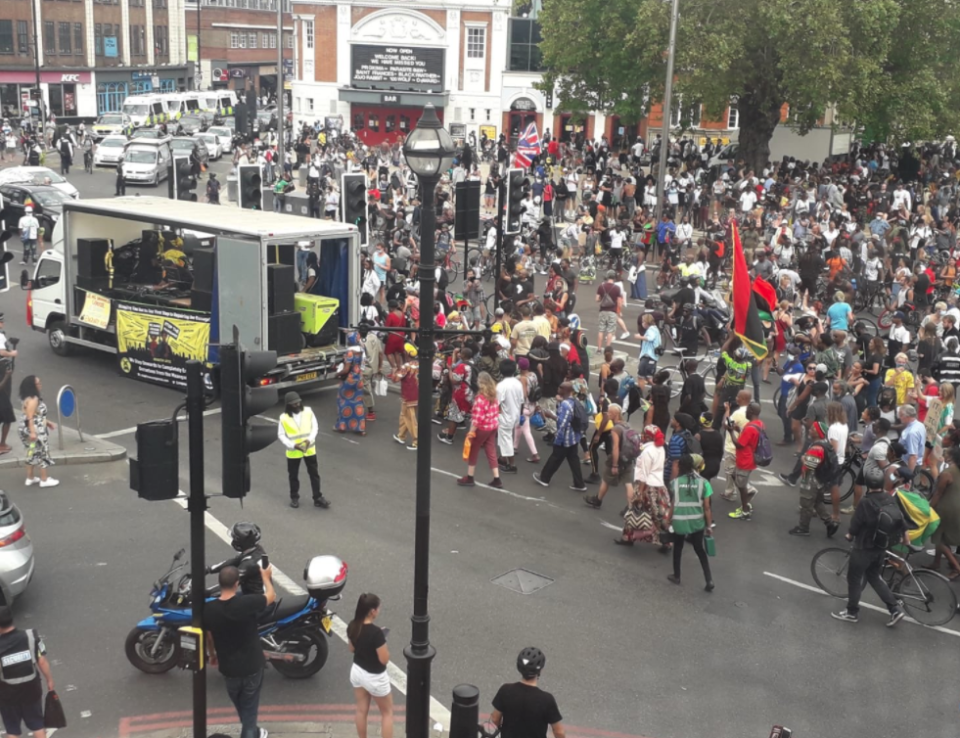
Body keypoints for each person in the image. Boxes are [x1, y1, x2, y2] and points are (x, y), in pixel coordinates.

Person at [831, 466, 907, 627]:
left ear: (867, 484)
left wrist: (850, 535)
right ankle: (895, 609)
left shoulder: (865, 502)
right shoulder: (889, 497)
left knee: (854, 578)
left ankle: (852, 612)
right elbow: (901, 519)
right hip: (880, 547)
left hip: (864, 547)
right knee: (874, 577)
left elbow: (856, 523)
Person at [206, 565, 276, 738]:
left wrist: (213, 655)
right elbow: (271, 596)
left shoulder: (209, 610)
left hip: (229, 670)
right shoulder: (246, 603)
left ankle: (254, 731)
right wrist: (266, 577)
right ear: (237, 584)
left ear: (219, 583)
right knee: (249, 714)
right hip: (252, 667)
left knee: (244, 710)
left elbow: (209, 637)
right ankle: (252, 732)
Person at [0, 605, 54, 738]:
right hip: (31, 688)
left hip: (7, 693)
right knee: (37, 724)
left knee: (12, 729)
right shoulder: (32, 636)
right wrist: (49, 680)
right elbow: (42, 661)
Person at [664, 454, 715, 591]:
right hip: (697, 522)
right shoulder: (704, 483)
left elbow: (673, 503)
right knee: (699, 550)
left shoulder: (675, 482)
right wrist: (709, 526)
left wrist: (668, 520)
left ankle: (677, 576)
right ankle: (709, 579)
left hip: (679, 521)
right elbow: (707, 507)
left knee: (678, 547)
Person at [347, 593, 393, 738]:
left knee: (361, 710)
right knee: (387, 713)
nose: (379, 611)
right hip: (375, 677)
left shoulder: (353, 626)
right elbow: (384, 659)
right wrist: (381, 640)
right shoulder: (376, 634)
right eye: (378, 608)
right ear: (372, 611)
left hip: (357, 672)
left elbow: (352, 649)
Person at [491, 647, 564, 738]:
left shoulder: (505, 690)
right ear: (540, 670)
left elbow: (495, 718)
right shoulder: (547, 700)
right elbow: (559, 732)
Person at [277, 391, 329, 509]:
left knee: (314, 474)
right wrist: (293, 445)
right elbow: (281, 435)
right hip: (293, 451)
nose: (296, 405)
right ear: (288, 405)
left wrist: (308, 441)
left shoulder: (308, 411)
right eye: (293, 404)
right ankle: (294, 497)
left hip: (309, 449)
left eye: (298, 403)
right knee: (293, 475)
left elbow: (315, 428)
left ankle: (318, 498)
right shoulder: (283, 418)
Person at [533, 382, 585, 490]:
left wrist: (552, 416)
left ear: (566, 390)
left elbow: (562, 423)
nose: (558, 388)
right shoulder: (574, 401)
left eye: (561, 387)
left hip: (565, 438)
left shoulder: (565, 404)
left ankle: (544, 478)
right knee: (573, 459)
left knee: (555, 458)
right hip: (573, 437)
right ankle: (579, 483)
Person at [583, 405, 635, 509]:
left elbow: (615, 447)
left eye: (609, 413)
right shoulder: (627, 425)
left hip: (618, 458)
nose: (607, 414)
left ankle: (598, 500)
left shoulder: (615, 429)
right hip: (628, 458)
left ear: (615, 414)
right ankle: (631, 507)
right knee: (628, 483)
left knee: (606, 479)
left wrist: (614, 464)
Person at [458, 372, 502, 488]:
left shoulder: (480, 398)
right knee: (491, 450)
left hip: (483, 428)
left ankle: (470, 477)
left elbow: (478, 419)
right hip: (493, 426)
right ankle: (497, 478)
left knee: (473, 450)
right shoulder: (494, 395)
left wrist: (471, 432)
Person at [926, 445, 960, 579]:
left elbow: (938, 494)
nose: (944, 456)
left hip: (947, 509)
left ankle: (957, 568)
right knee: (941, 535)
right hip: (956, 509)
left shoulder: (948, 473)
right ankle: (936, 562)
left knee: (939, 538)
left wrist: (929, 509)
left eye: (946, 454)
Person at [18, 376, 56, 488]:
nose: (40, 385)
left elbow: (34, 414)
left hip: (25, 429)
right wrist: (33, 432)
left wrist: (47, 422)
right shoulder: (34, 399)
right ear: (32, 386)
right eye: (38, 383)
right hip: (36, 430)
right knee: (42, 452)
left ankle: (30, 477)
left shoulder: (26, 398)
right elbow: (31, 417)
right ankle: (44, 479)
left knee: (31, 451)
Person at [728, 401, 762, 520]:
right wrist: (738, 429)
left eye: (747, 410)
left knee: (741, 487)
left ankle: (745, 510)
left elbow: (739, 444)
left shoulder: (749, 428)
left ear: (751, 411)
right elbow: (749, 437)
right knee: (733, 474)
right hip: (747, 459)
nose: (746, 412)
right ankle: (746, 499)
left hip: (745, 461)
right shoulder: (757, 424)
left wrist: (731, 431)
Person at [334, 333, 367, 435]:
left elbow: (346, 369)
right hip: (359, 380)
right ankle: (360, 428)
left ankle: (342, 425)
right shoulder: (361, 351)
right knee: (358, 403)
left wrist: (337, 374)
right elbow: (363, 366)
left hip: (349, 380)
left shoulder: (350, 352)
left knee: (343, 401)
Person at [497, 360, 525, 474]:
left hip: (505, 417)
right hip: (515, 415)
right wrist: (521, 415)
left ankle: (512, 465)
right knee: (505, 438)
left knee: (506, 440)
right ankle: (503, 459)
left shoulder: (501, 386)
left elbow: (496, 403)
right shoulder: (518, 383)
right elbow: (522, 401)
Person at [392, 343, 419, 451]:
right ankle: (401, 436)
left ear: (407, 353)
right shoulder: (420, 365)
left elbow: (395, 379)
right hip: (416, 395)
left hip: (408, 396)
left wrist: (394, 371)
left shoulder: (406, 367)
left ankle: (416, 441)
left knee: (410, 418)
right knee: (403, 415)